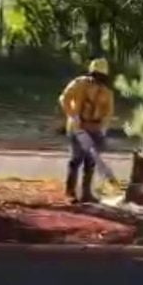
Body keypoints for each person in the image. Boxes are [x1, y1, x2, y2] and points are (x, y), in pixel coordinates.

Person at [58, 58, 114, 203]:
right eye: (96, 75)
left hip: (94, 129)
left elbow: (108, 112)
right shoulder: (79, 84)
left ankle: (86, 193)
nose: (97, 79)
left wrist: (103, 128)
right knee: (76, 160)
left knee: (90, 162)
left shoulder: (106, 92)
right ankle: (70, 193)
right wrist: (72, 114)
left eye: (101, 76)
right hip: (77, 127)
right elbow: (64, 98)